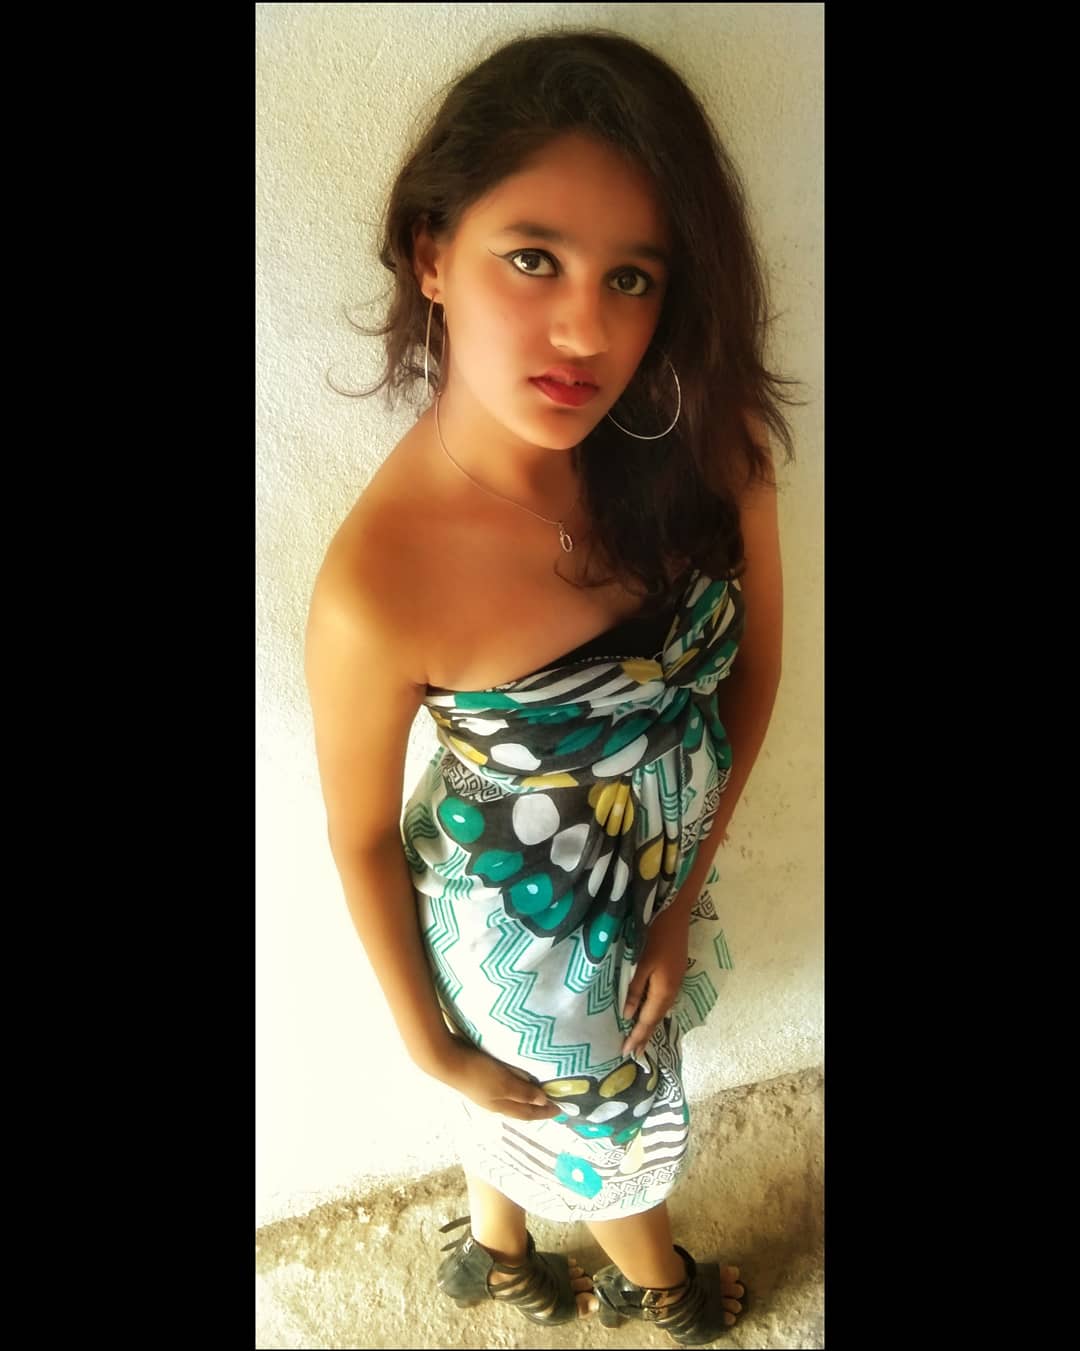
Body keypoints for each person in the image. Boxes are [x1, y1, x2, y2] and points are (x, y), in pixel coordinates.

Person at [306, 28, 794, 1346]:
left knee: (524, 1116)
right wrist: (428, 1041)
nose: (586, 330)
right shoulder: (380, 584)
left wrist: (678, 898)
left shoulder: (707, 446)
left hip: (653, 889)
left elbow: (752, 672)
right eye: (533, 257)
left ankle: (494, 1251)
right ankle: (663, 1290)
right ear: (431, 252)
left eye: (631, 276)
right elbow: (359, 838)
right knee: (611, 1148)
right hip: (528, 949)